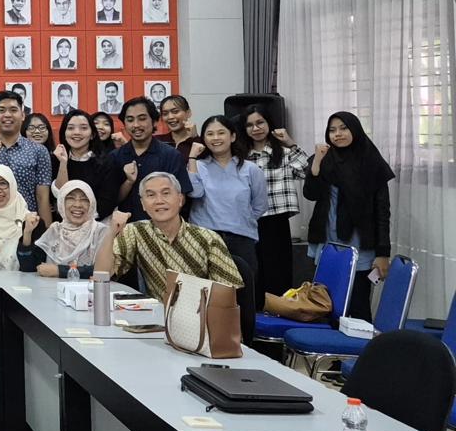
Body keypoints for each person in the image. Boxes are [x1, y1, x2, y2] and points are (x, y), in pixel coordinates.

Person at [94, 173, 243, 302]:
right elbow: (102, 275)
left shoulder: (208, 238)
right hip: (158, 318)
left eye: (166, 193)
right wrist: (111, 232)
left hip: (203, 316)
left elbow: (228, 291)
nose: (159, 200)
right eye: (151, 195)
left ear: (180, 199)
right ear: (143, 204)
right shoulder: (135, 232)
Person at [304, 112, 394, 321]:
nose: (337, 134)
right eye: (332, 130)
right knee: (326, 304)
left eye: (343, 128)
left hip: (360, 244)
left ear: (355, 130)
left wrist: (383, 253)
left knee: (358, 303)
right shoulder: (324, 159)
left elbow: (382, 211)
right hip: (328, 241)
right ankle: (332, 342)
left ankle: (361, 342)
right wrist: (316, 163)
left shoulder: (371, 162)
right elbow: (311, 194)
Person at [187, 115, 266, 339]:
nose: (216, 138)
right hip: (205, 240)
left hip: (241, 241)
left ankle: (245, 347)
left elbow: (260, 206)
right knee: (205, 299)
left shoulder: (251, 169)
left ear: (232, 136)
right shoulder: (199, 166)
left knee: (243, 301)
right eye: (210, 134)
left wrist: (239, 221)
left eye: (221, 132)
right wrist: (192, 158)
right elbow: (194, 192)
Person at [242, 105, 310, 303]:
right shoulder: (241, 157)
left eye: (260, 122)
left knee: (279, 272)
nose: (256, 128)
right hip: (249, 222)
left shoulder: (284, 153)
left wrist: (290, 142)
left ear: (269, 124)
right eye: (250, 125)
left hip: (277, 220)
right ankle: (256, 315)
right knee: (254, 272)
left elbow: (307, 172)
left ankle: (280, 311)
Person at [0, 91, 53, 232]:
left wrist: (46, 233)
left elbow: (42, 197)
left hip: (27, 226)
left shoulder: (38, 151)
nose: (7, 115)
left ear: (23, 115)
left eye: (13, 110)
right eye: (1, 110)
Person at [109, 97, 193, 222]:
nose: (136, 125)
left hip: (163, 227)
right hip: (127, 229)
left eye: (142, 118)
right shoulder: (115, 157)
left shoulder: (171, 155)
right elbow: (112, 200)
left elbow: (181, 197)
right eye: (130, 120)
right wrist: (128, 181)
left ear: (154, 121)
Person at [21, 180, 109, 278]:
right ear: (62, 203)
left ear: (91, 204)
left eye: (84, 199)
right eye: (71, 198)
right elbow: (28, 267)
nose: (77, 205)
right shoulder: (55, 231)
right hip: (52, 287)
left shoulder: (100, 232)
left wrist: (60, 271)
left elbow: (103, 271)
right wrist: (27, 233)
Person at [52, 110, 117, 219]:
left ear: (92, 135)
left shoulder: (107, 161)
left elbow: (108, 201)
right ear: (64, 133)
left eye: (83, 128)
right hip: (64, 222)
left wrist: (81, 219)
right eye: (71, 128)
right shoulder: (56, 158)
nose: (77, 132)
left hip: (96, 222)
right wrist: (63, 163)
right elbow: (59, 195)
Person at [155, 95, 201, 162]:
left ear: (188, 113)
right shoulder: (157, 141)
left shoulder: (201, 142)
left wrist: (195, 138)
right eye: (165, 114)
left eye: (175, 111)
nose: (170, 117)